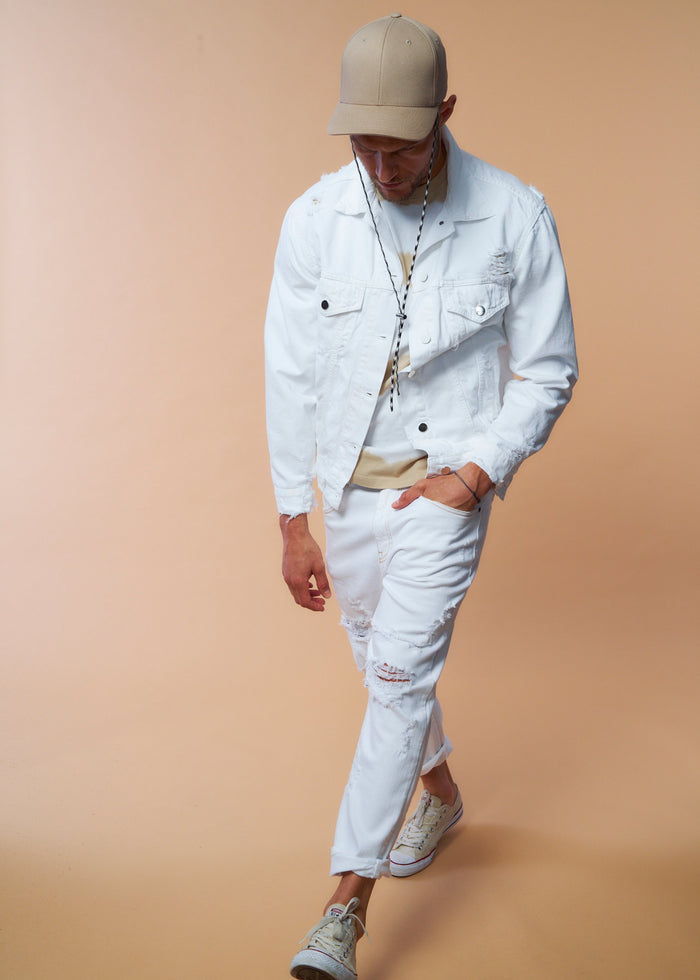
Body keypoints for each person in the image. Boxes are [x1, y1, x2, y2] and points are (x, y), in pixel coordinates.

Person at [264, 13, 577, 980]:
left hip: (442, 496)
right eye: (362, 144)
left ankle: (342, 913)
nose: (381, 167)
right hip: (347, 493)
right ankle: (438, 793)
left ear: (445, 112)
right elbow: (290, 373)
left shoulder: (514, 213)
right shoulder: (315, 219)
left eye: (399, 146)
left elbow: (548, 367)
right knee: (379, 663)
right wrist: (293, 520)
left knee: (398, 680)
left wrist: (475, 476)